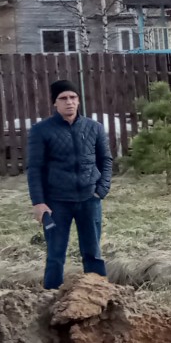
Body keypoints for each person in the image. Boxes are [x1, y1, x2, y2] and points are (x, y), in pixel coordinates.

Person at [27, 79, 112, 290]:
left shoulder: (94, 128)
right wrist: (38, 202)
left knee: (92, 252)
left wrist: (101, 190)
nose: (69, 102)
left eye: (73, 97)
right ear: (55, 103)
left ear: (78, 100)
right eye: (63, 98)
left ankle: (97, 296)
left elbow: (106, 160)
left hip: (89, 200)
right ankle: (50, 299)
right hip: (56, 203)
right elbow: (34, 168)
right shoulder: (41, 130)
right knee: (55, 255)